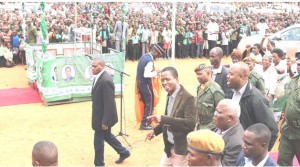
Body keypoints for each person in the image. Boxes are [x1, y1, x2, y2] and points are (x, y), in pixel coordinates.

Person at [145, 67, 197, 166]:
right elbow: (169, 119)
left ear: (176, 79)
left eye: (168, 79)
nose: (164, 83)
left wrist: (163, 118)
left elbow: (190, 123)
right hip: (168, 148)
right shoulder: (170, 95)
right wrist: (155, 131)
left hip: (181, 150)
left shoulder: (188, 98)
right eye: (162, 80)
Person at [227, 62, 278, 151]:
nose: (227, 76)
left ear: (241, 77)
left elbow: (272, 129)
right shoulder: (231, 92)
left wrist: (261, 153)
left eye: (231, 74)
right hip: (233, 147)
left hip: (247, 151)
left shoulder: (256, 98)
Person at [91, 58, 130, 166]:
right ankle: (124, 152)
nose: (92, 68)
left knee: (98, 141)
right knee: (107, 136)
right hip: (99, 116)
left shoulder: (106, 80)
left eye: (95, 66)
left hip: (103, 119)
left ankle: (99, 164)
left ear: (102, 66)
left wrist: (105, 122)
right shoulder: (98, 77)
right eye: (92, 66)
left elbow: (109, 103)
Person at [277, 58, 300, 166]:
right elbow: (288, 101)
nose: (299, 67)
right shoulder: (293, 80)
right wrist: (283, 119)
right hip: (287, 129)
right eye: (298, 64)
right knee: (283, 161)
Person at [136, 44, 163, 130]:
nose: (157, 57)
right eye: (157, 55)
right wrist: (156, 72)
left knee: (146, 103)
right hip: (145, 84)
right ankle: (144, 124)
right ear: (154, 52)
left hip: (140, 83)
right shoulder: (150, 61)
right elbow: (146, 74)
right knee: (149, 103)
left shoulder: (144, 56)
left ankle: (145, 120)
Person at [214, 99, 244, 166]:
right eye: (215, 110)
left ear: (230, 118)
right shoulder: (222, 126)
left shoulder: (236, 144)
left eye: (219, 112)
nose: (215, 114)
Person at [194, 64, 224, 130]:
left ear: (208, 73)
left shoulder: (216, 90)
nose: (197, 76)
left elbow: (221, 112)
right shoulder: (199, 87)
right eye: (197, 74)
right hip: (200, 125)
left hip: (211, 127)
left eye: (200, 74)